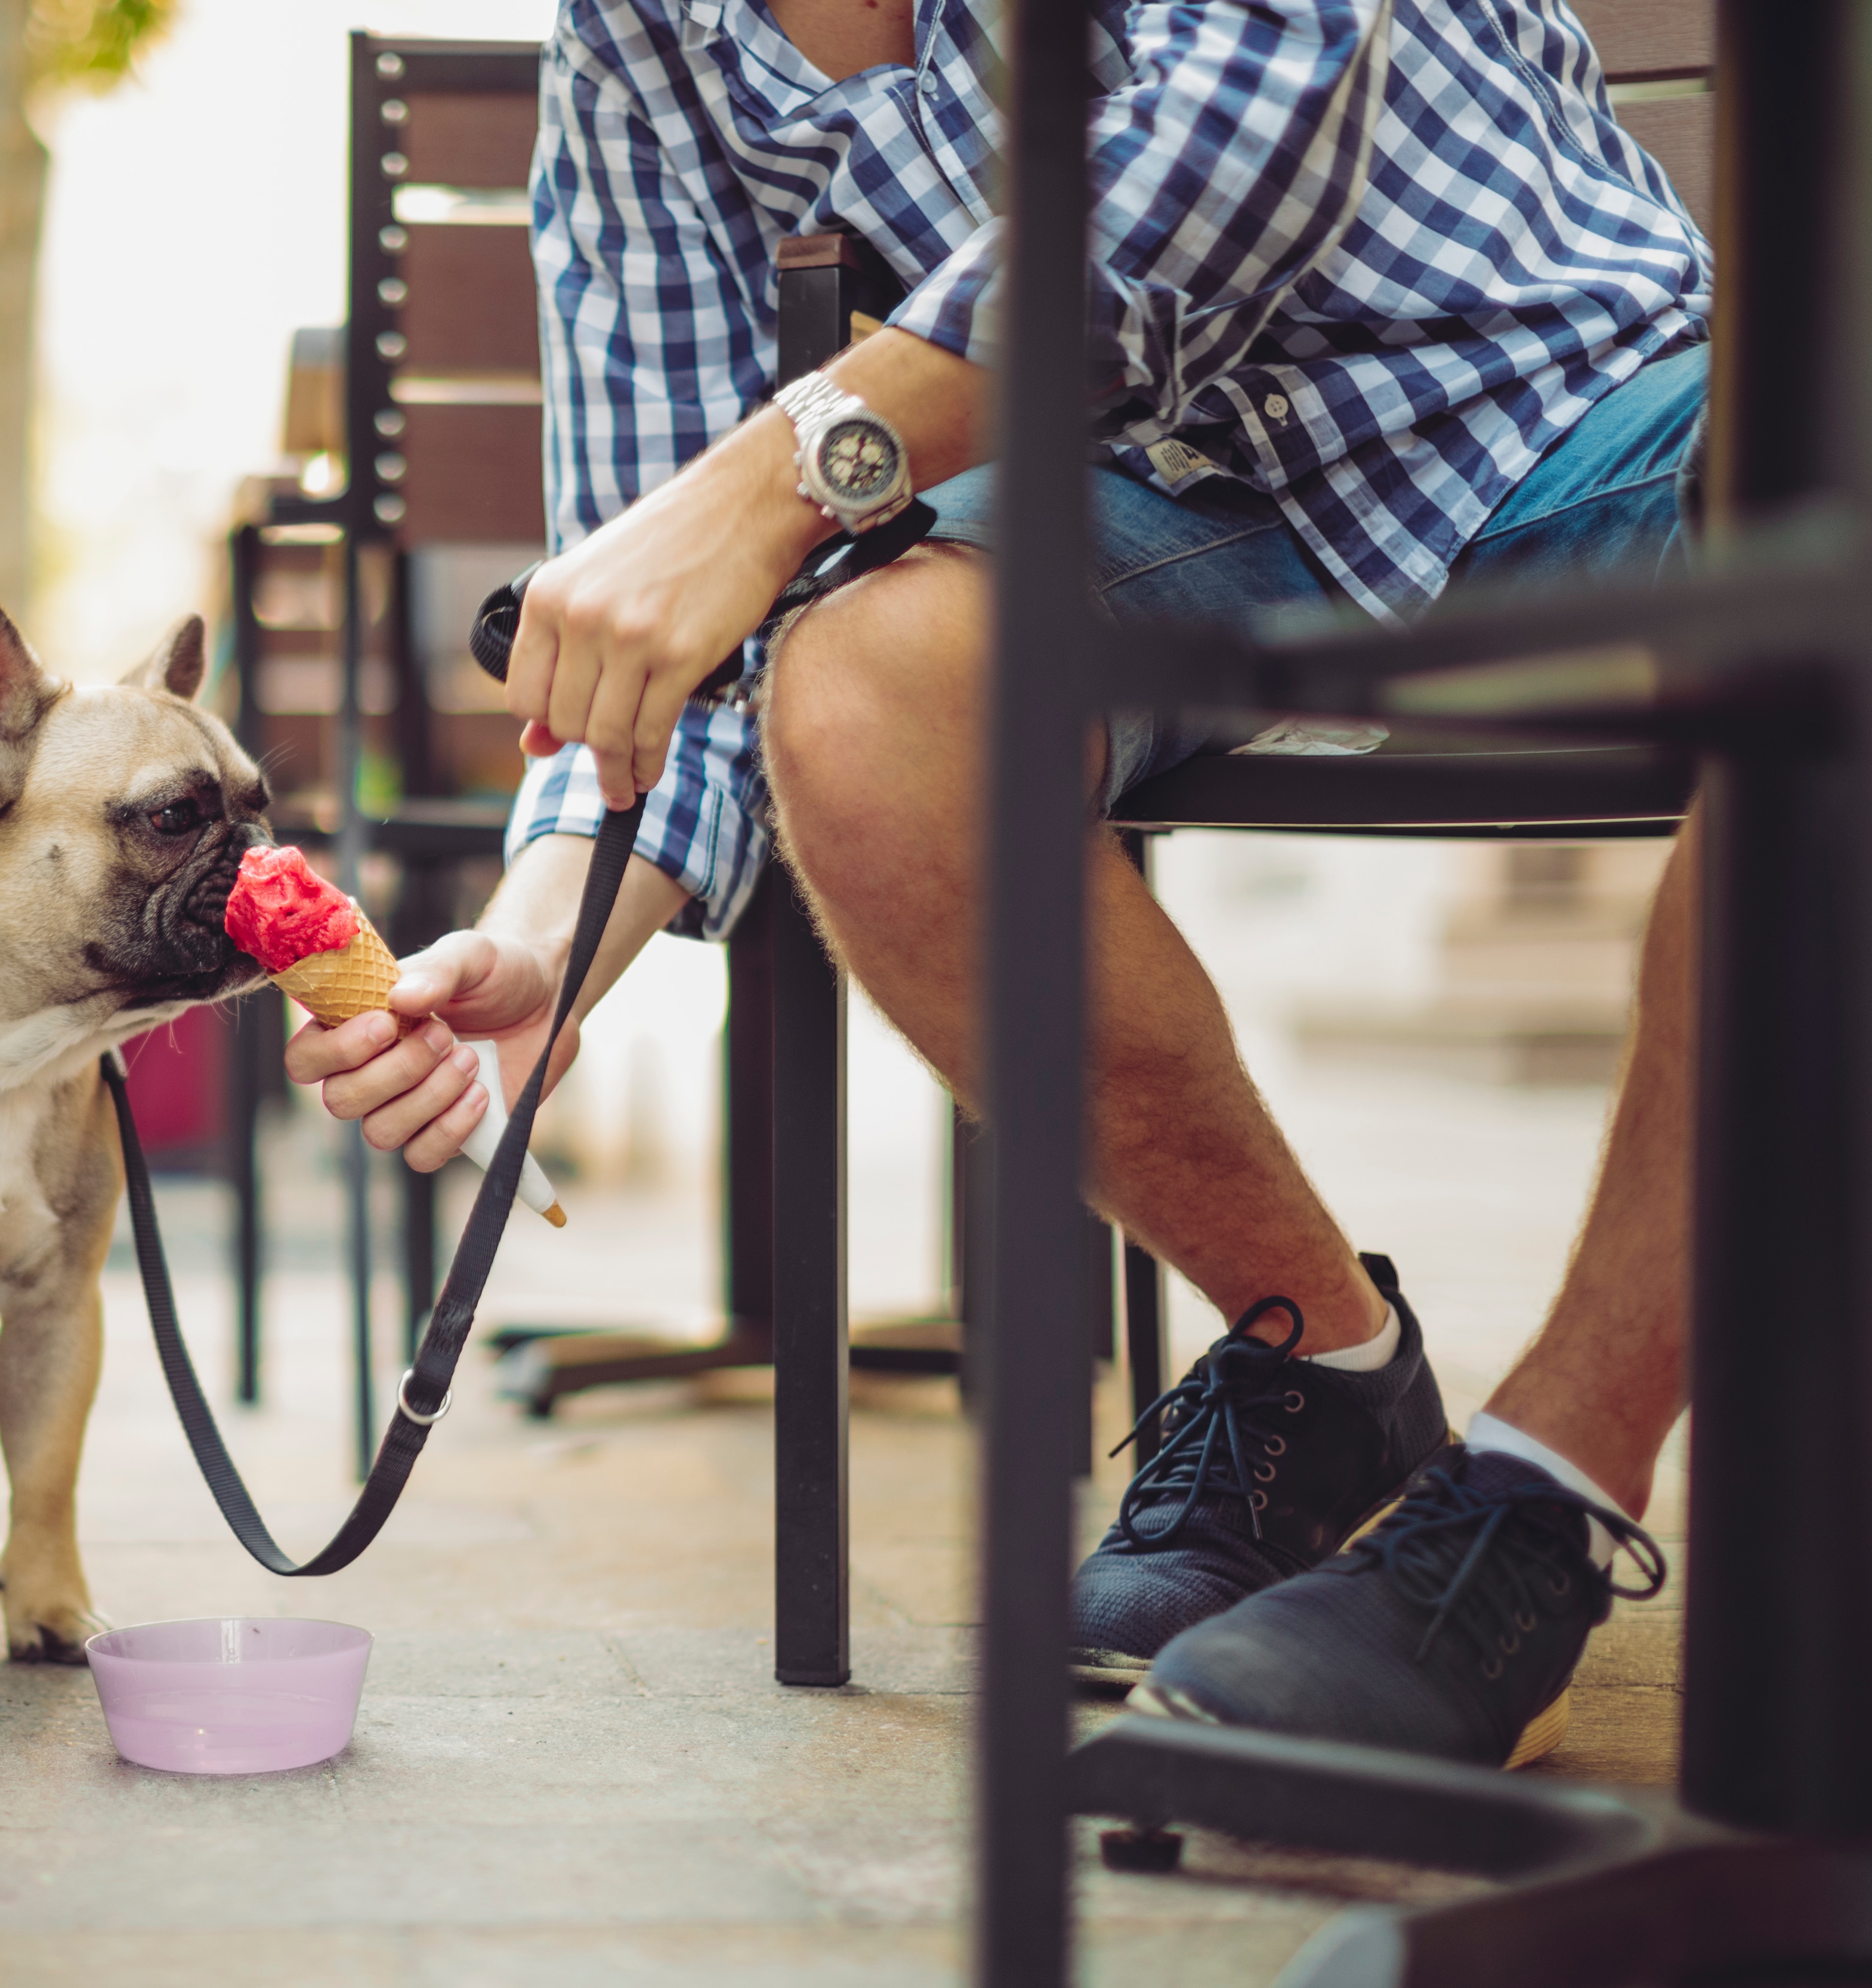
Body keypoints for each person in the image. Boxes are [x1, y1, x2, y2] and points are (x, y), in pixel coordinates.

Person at [291, 0, 1703, 1769]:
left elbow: (1254, 110)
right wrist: (546, 946)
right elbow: (667, 615)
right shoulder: (639, 39)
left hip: (1586, 407)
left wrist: (784, 473)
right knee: (861, 692)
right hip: (1180, 511)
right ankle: (1328, 1371)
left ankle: (1540, 1494)